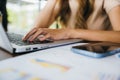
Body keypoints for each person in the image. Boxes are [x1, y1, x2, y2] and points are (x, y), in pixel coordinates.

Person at [23, 0, 120, 43]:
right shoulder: (62, 2)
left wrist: (69, 32)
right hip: (72, 54)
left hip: (101, 55)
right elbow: (35, 30)